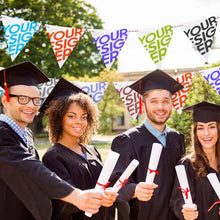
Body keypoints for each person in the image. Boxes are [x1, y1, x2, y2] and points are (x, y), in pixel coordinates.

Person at [0, 61, 104, 220]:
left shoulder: (25, 134)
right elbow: (30, 168)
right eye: (22, 99)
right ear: (5, 100)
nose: (31, 105)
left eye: (35, 99)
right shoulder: (2, 133)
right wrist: (76, 196)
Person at [110, 69, 186, 220]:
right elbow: (113, 187)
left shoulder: (176, 138)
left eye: (166, 101)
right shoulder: (127, 141)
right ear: (142, 103)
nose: (160, 107)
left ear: (172, 103)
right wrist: (135, 189)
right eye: (154, 101)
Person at [39, 77, 118, 220]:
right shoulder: (53, 157)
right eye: (71, 116)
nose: (79, 122)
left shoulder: (91, 151)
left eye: (84, 117)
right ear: (58, 118)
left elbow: (103, 185)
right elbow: (61, 202)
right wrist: (98, 198)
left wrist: (109, 194)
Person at [170, 101, 220, 220]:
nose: (206, 133)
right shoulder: (188, 165)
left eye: (212, 127)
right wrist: (184, 209)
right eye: (200, 128)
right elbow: (178, 200)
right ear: (195, 132)